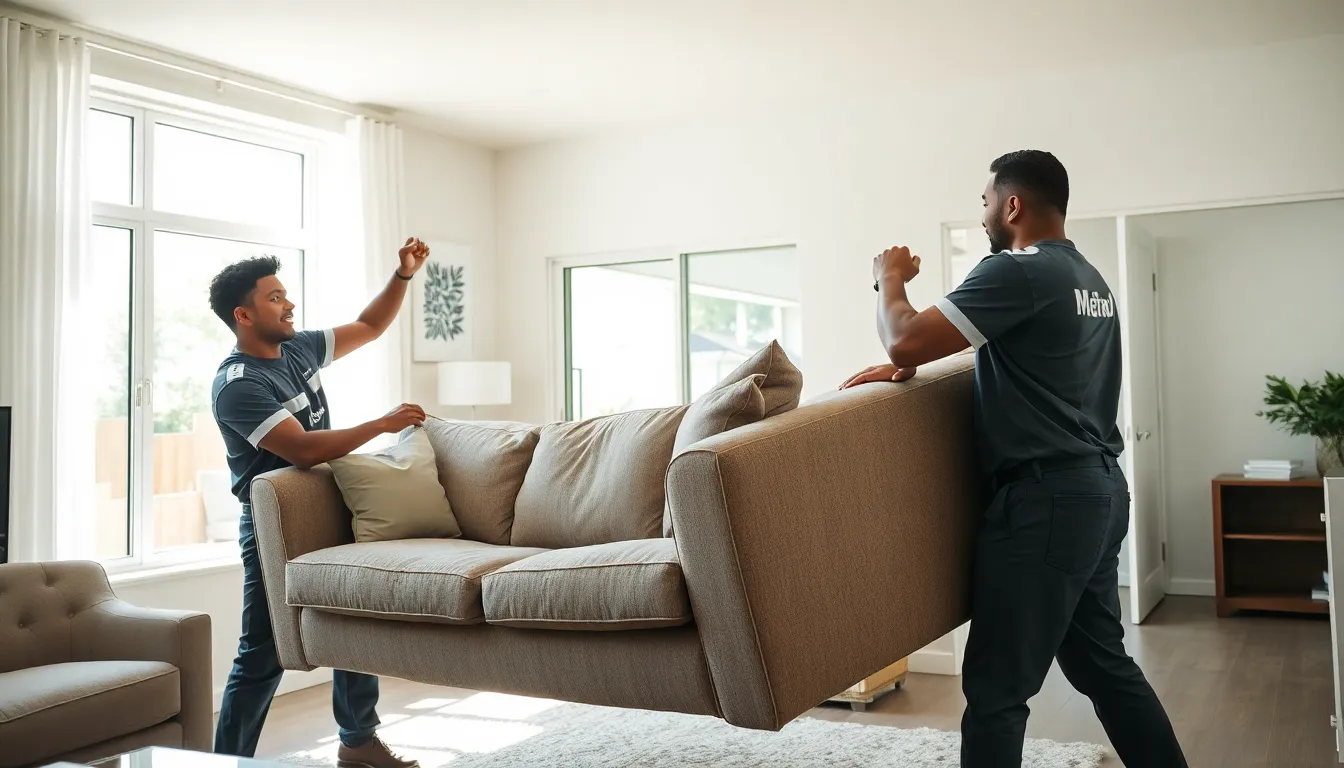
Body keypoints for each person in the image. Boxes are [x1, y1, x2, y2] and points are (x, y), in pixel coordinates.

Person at [841, 150, 1187, 767]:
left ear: (1013, 204)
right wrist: (922, 361)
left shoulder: (1017, 269)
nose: (983, 215)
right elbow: (1030, 357)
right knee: (1104, 668)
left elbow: (904, 336)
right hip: (1099, 491)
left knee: (997, 692)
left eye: (985, 202)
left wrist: (888, 278)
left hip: (1046, 504)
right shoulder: (1088, 280)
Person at [208, 237, 434, 767]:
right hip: (273, 526)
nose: (289, 305)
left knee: (351, 624)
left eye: (286, 294)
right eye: (275, 298)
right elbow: (303, 448)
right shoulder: (237, 385)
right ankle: (224, 763)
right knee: (263, 653)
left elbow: (369, 326)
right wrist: (381, 425)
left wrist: (403, 274)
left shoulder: (298, 348)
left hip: (326, 507)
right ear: (243, 315)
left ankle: (358, 743)